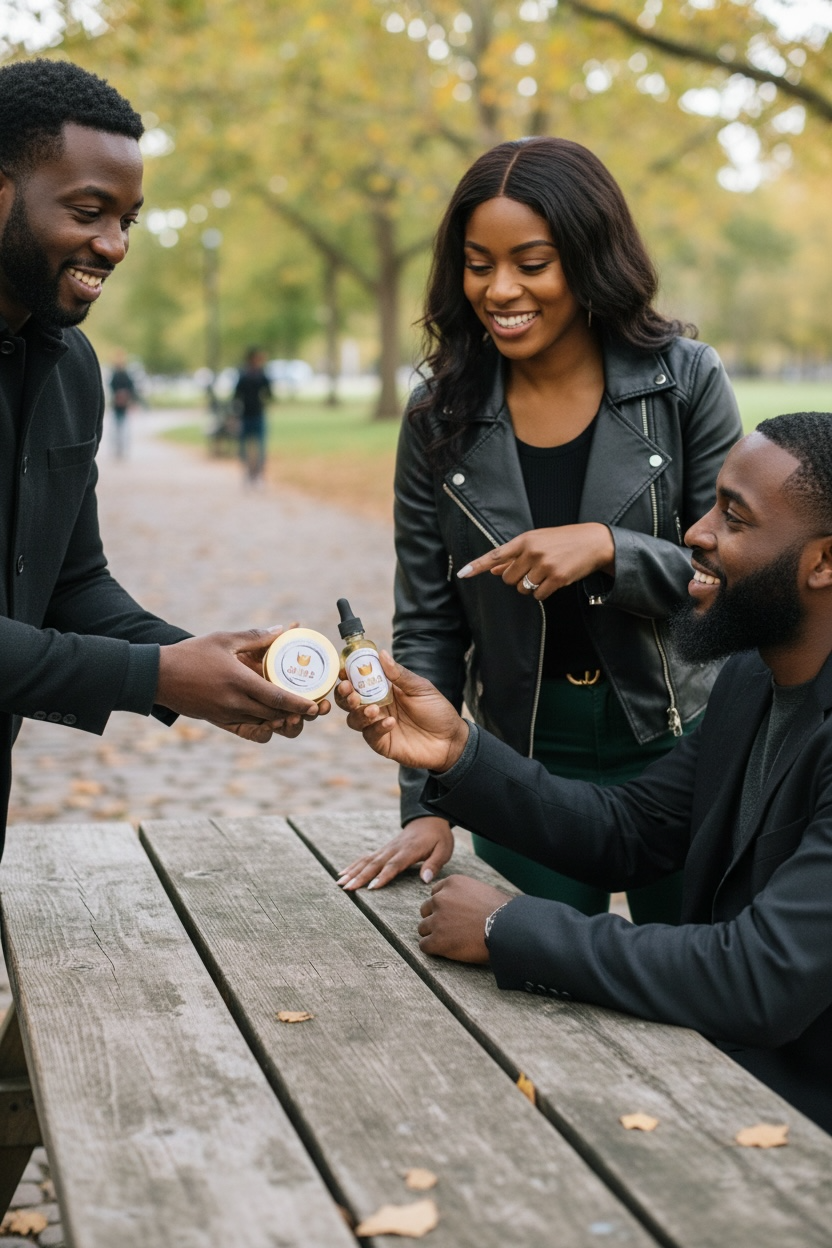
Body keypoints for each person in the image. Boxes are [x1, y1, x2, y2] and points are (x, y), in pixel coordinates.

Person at [338, 413, 832, 1134]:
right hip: (721, 1075)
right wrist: (455, 751)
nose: (695, 532)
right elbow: (629, 830)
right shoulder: (751, 679)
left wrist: (512, 925)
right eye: (711, 503)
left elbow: (760, 974)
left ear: (823, 561)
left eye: (734, 517)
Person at [339, 137, 742, 926]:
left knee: (703, 1002)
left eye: (532, 261)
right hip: (522, 758)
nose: (500, 288)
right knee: (537, 1001)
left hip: (680, 740)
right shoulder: (434, 417)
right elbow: (428, 621)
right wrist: (429, 804)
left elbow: (733, 576)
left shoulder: (687, 380)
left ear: (590, 258)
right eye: (478, 262)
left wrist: (608, 548)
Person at [0, 59, 326, 856]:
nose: (112, 246)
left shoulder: (73, 369)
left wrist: (206, 664)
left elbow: (73, 582)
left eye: (128, 220)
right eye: (88, 210)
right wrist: (154, 677)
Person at [234, 347, 272, 486]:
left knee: (261, 447)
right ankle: (247, 473)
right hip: (245, 416)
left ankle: (259, 474)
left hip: (258, 414)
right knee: (244, 448)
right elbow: (236, 396)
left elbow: (269, 393)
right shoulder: (243, 376)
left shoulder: (262, 375)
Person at [108, 348, 137, 458]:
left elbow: (131, 388)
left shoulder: (126, 374)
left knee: (124, 428)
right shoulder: (115, 374)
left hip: (123, 405)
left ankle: (122, 448)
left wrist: (127, 397)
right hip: (116, 405)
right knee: (116, 428)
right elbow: (111, 387)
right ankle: (117, 448)